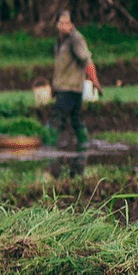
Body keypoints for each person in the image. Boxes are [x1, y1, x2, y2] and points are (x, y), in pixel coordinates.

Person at [50, 8, 101, 163]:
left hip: (70, 88)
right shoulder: (60, 41)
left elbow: (87, 60)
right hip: (64, 87)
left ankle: (48, 152)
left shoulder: (75, 39)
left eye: (68, 23)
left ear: (71, 24)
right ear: (57, 25)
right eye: (62, 23)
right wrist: (54, 86)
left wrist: (95, 81)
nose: (65, 26)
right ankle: (82, 156)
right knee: (76, 119)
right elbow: (60, 66)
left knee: (56, 119)